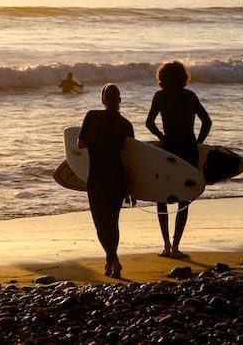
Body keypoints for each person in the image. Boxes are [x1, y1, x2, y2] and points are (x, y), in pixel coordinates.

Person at [146, 61, 212, 259]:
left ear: (163, 78)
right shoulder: (189, 96)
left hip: (169, 151)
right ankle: (176, 247)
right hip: (189, 150)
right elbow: (207, 121)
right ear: (183, 77)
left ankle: (165, 246)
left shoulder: (160, 96)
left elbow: (149, 123)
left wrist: (161, 136)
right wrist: (198, 143)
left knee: (162, 197)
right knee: (184, 198)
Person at [78, 84, 134, 278]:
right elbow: (130, 159)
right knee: (113, 221)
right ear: (119, 100)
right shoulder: (126, 124)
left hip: (97, 177)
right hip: (117, 177)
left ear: (103, 100)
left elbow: (81, 144)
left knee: (101, 223)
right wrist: (131, 188)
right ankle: (112, 261)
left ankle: (113, 260)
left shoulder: (92, 116)